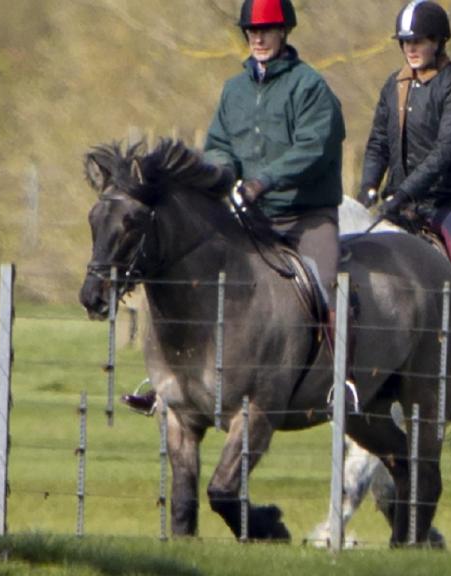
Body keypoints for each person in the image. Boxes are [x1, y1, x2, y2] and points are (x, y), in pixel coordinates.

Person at [123, 0, 346, 414]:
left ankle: (339, 382)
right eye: (251, 32)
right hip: (249, 215)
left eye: (266, 30)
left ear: (285, 32)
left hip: (306, 216)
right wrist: (225, 179)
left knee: (324, 283)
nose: (258, 38)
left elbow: (314, 148)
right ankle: (174, 381)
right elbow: (220, 146)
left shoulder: (310, 87)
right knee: (200, 275)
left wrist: (263, 181)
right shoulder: (234, 90)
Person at [358, 0, 451, 329]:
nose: (411, 48)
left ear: (437, 42)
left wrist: (405, 191)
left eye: (418, 41)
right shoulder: (393, 86)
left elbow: (447, 148)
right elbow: (379, 141)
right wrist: (368, 186)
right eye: (406, 42)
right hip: (404, 205)